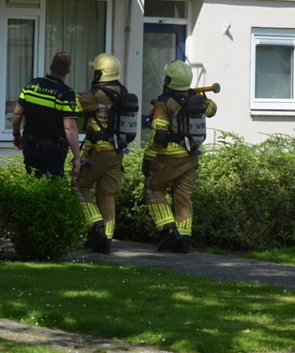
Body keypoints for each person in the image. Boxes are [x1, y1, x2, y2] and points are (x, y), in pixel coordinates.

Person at [142, 60, 217, 254]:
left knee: (153, 189)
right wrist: (204, 99)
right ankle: (183, 240)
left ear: (169, 80)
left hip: (170, 156)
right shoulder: (196, 99)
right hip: (191, 156)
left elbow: (159, 134)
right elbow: (212, 110)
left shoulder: (165, 102)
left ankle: (169, 231)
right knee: (183, 198)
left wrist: (149, 158)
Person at [74, 53, 129, 254]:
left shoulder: (96, 95)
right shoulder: (123, 92)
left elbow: (71, 106)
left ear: (100, 73)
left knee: (79, 187)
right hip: (117, 152)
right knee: (106, 195)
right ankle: (105, 240)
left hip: (97, 151)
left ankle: (96, 226)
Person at [12, 52, 81, 180]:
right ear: (68, 71)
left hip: (30, 144)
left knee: (32, 181)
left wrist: (16, 135)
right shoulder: (66, 93)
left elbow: (17, 113)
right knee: (51, 186)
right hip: (53, 149)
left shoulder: (31, 86)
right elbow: (70, 127)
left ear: (50, 66)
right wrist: (77, 157)